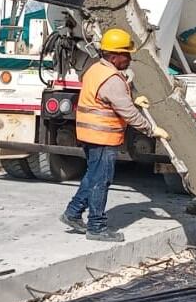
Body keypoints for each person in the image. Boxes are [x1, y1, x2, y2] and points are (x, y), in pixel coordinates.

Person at [60, 28, 170, 243]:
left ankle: (72, 213)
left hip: (89, 135)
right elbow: (127, 112)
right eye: (125, 54)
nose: (129, 58)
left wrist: (130, 99)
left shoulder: (96, 69)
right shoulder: (112, 79)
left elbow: (108, 98)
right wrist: (150, 129)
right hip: (103, 137)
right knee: (101, 181)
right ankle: (97, 227)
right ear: (113, 56)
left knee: (93, 177)